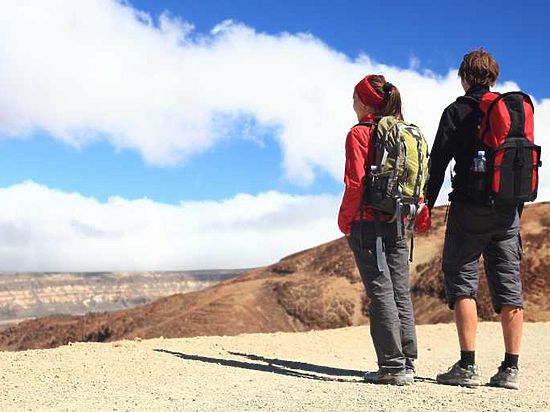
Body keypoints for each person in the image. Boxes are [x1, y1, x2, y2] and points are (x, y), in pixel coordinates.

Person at [426, 49, 524, 389]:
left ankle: (467, 366)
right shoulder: (512, 110)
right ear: (493, 78)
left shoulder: (456, 111)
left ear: (465, 77)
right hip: (507, 210)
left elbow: (437, 164)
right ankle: (510, 369)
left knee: (462, 282)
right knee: (509, 287)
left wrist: (425, 204)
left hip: (468, 208)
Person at [338, 74, 429, 386]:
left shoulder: (359, 134)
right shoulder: (403, 132)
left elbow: (355, 182)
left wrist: (344, 220)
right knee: (399, 290)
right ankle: (407, 360)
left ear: (365, 102)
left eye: (354, 98)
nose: (352, 104)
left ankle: (391, 366)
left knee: (380, 291)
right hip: (399, 220)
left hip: (367, 221)